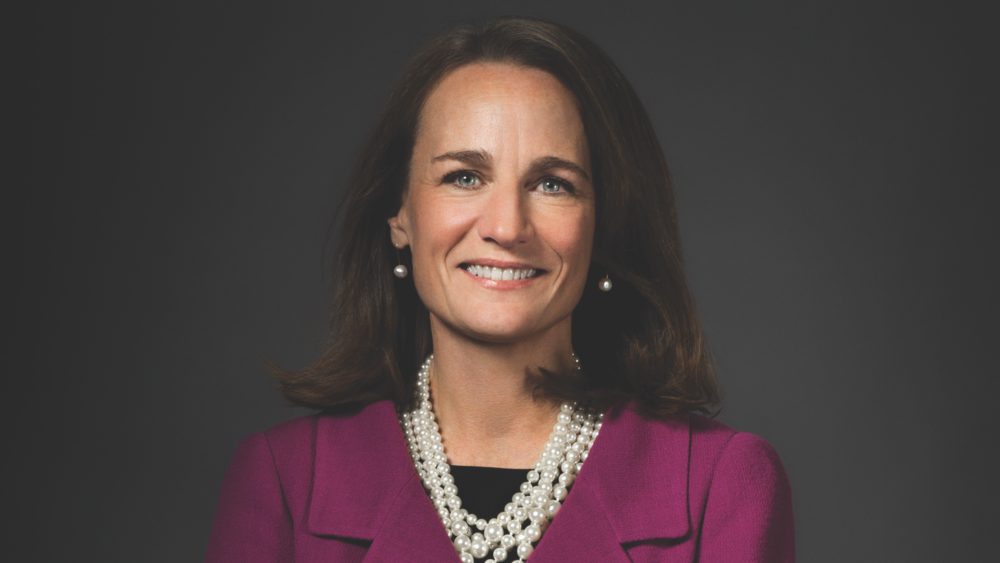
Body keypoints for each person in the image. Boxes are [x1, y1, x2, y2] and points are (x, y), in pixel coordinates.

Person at [206, 16, 794, 563]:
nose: (507, 227)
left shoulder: (721, 486)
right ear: (400, 213)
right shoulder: (283, 480)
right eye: (464, 176)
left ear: (605, 226)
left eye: (552, 184)